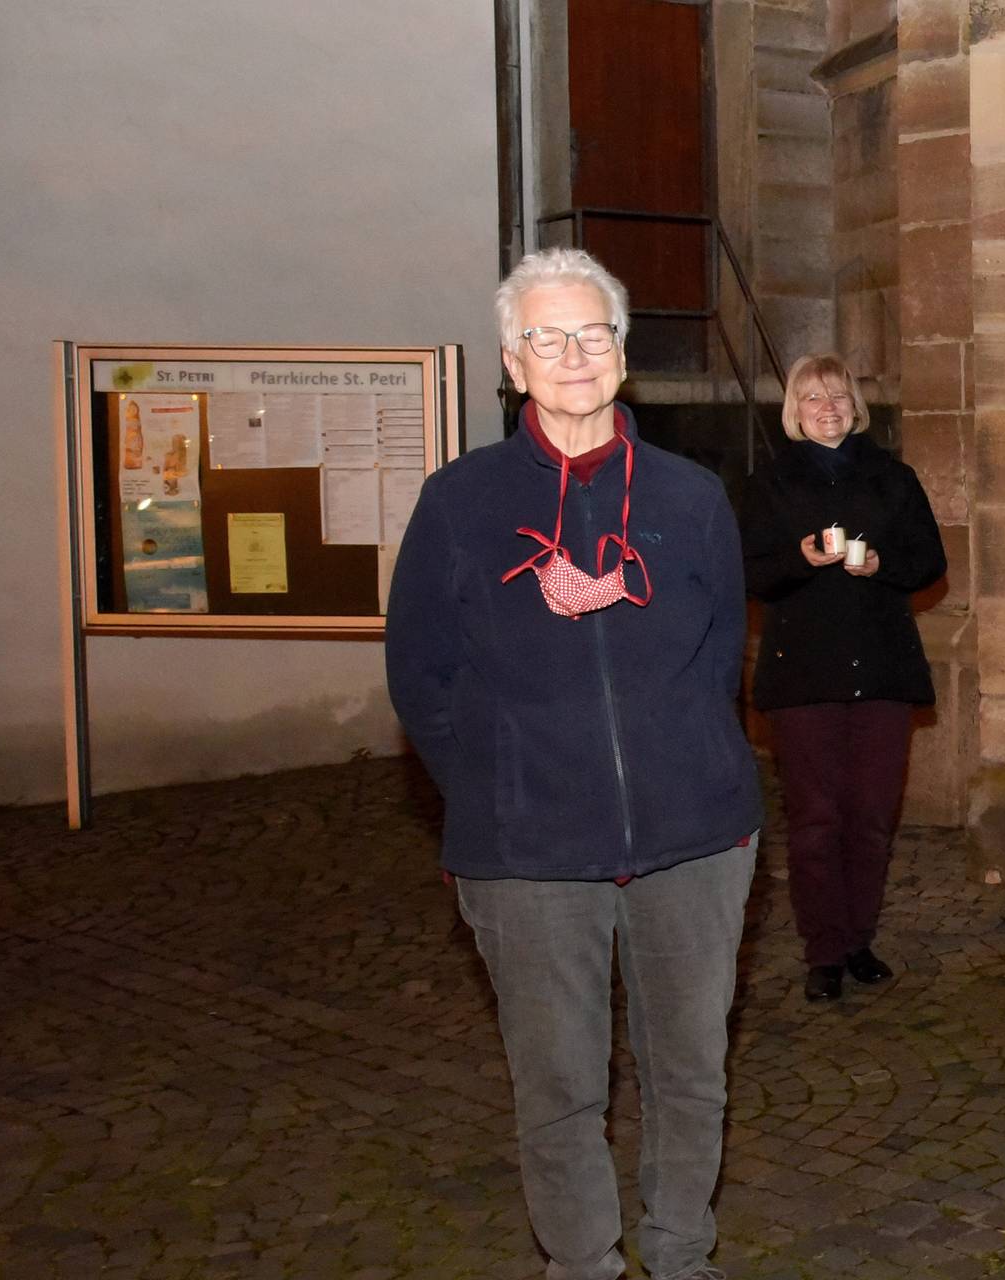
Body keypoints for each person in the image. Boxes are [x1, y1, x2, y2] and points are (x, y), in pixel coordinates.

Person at [387, 247, 761, 1280]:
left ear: (622, 352)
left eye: (591, 333)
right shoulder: (459, 502)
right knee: (557, 1084)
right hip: (528, 847)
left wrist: (690, 763)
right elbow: (420, 673)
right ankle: (583, 1261)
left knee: (690, 1069)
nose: (572, 355)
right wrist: (502, 788)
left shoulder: (690, 497)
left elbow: (721, 649)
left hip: (694, 836)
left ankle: (683, 1253)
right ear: (512, 360)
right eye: (546, 337)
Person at [738, 353, 947, 1004]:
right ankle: (823, 950)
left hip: (881, 668)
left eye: (836, 395)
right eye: (811, 398)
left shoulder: (892, 478)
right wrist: (798, 559)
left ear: (855, 405)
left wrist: (882, 562)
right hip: (805, 674)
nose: (826, 406)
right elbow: (746, 571)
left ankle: (858, 940)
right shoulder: (771, 483)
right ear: (794, 413)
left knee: (870, 817)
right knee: (816, 820)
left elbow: (928, 562)